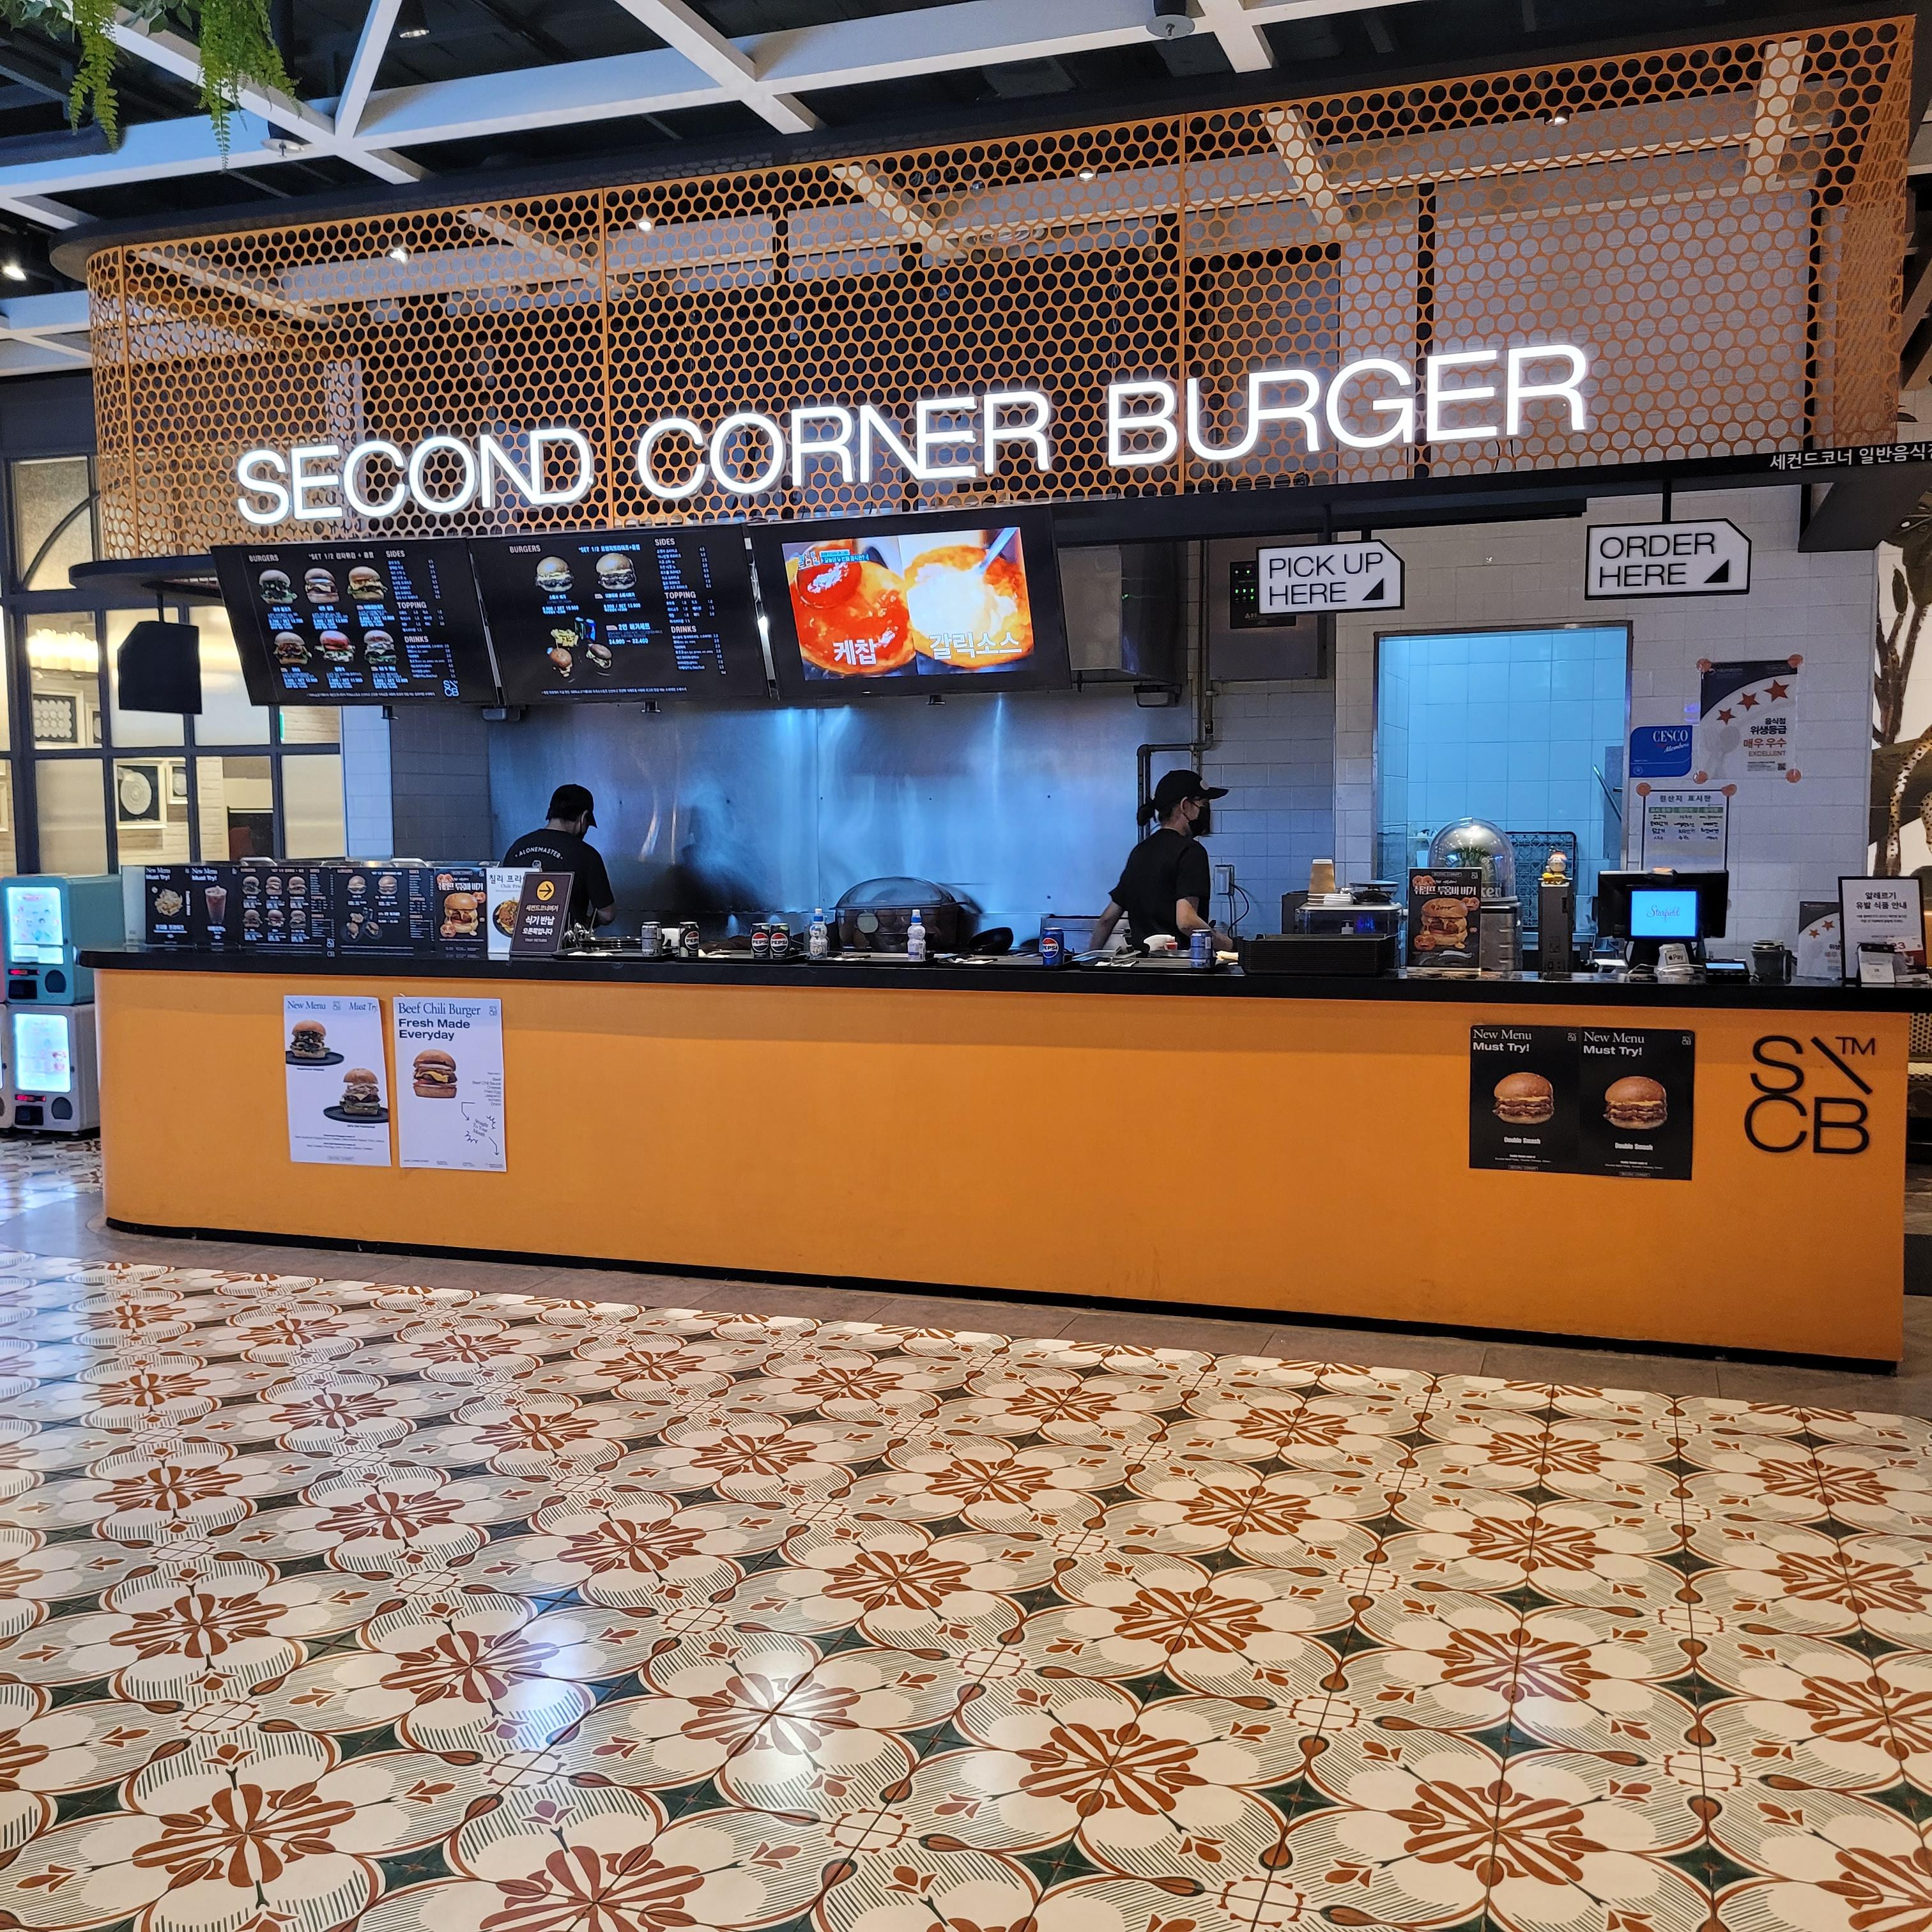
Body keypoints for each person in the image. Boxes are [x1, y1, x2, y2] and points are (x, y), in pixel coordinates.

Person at [1090, 768, 1229, 953]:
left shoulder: (1139, 852)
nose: (1206, 812)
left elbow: (1107, 920)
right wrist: (1230, 945)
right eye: (1203, 804)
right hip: (1178, 966)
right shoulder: (1191, 851)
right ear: (1185, 806)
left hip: (1141, 966)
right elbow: (1187, 922)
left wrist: (1088, 959)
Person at [501, 783, 616, 929]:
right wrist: (589, 922)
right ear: (583, 818)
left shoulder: (517, 847)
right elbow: (607, 914)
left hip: (518, 939)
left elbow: (503, 897)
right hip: (566, 942)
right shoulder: (587, 854)